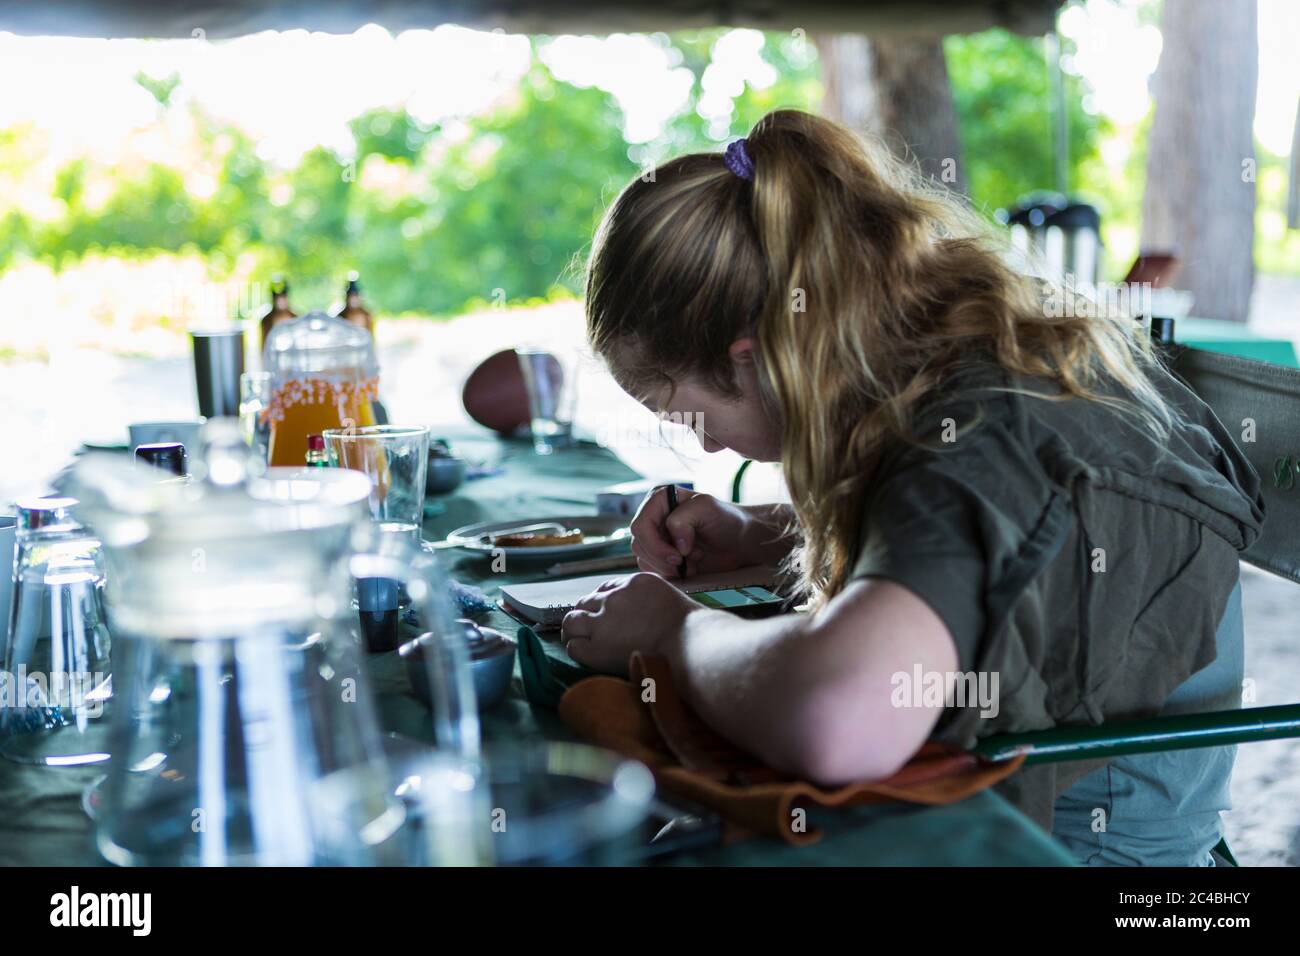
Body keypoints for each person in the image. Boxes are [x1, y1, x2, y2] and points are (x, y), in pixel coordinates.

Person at [560, 109, 1265, 865]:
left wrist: (675, 631)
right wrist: (756, 528)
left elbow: (841, 719)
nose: (701, 441)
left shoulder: (986, 427)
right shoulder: (973, 353)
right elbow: (990, 546)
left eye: (686, 412)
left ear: (754, 356)